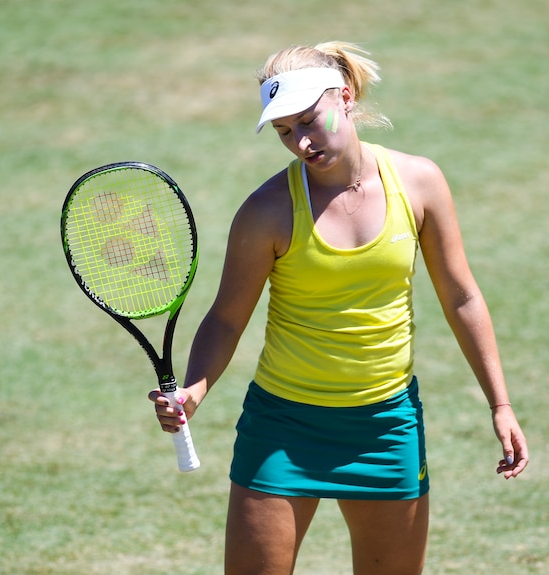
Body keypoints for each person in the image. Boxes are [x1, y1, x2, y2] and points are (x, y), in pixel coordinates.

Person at [149, 41, 529, 575]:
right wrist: (194, 388)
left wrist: (500, 404)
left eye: (309, 120)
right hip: (282, 428)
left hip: (386, 427)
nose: (300, 141)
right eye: (283, 131)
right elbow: (227, 317)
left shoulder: (419, 183)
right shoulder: (266, 212)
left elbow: (461, 296)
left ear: (345, 98)